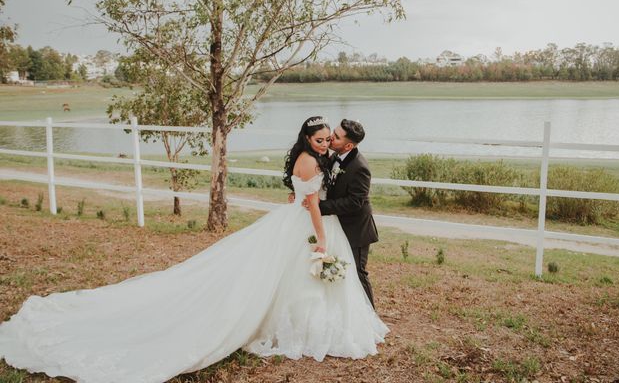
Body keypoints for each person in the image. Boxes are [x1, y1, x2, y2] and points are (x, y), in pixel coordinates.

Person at [0, 116, 388, 383]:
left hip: (320, 222)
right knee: (294, 275)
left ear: (344, 142)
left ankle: (320, 321)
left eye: (332, 138)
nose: (328, 141)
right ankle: (300, 325)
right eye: (323, 137)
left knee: (323, 275)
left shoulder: (333, 159)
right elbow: (311, 198)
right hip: (309, 223)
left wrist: (311, 203)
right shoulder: (314, 160)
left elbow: (328, 195)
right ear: (309, 139)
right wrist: (316, 223)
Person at [318, 119, 379, 308]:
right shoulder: (333, 156)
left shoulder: (360, 167)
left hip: (356, 230)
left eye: (336, 136)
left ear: (349, 145)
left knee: (358, 273)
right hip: (336, 227)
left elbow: (355, 202)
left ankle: (370, 319)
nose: (330, 137)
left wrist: (321, 206)